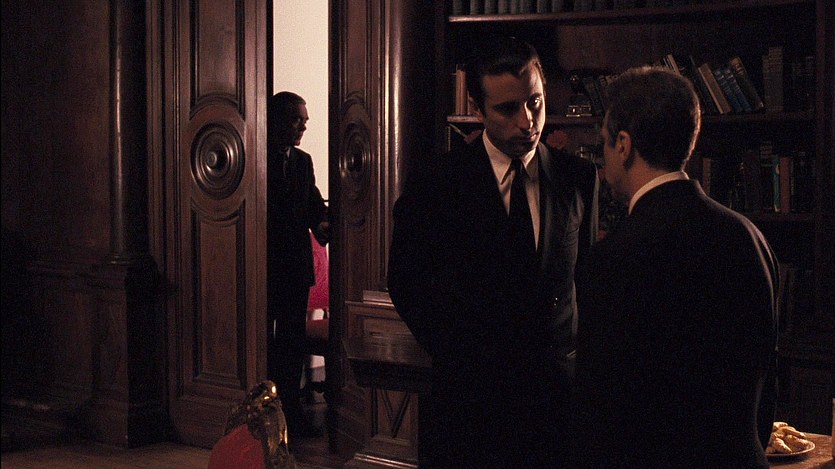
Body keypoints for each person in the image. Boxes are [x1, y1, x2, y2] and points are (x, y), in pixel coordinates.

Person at [387, 36, 599, 468]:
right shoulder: (436, 184)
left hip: (555, 407)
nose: (527, 122)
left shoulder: (578, 178)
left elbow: (588, 281)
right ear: (477, 108)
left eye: (535, 103)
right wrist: (456, 353)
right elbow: (406, 281)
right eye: (507, 109)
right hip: (469, 406)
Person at [572, 66, 779, 468]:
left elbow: (602, 412)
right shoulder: (749, 237)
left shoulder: (613, 258)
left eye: (604, 142)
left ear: (623, 144)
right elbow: (765, 388)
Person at [266, 91, 329, 438]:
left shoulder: (303, 161)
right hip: (263, 266)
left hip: (294, 267)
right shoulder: (257, 156)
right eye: (296, 120)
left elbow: (313, 204)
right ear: (276, 120)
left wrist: (323, 223)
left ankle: (290, 411)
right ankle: (262, 413)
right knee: (263, 340)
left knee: (291, 343)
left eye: (305, 120)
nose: (303, 126)